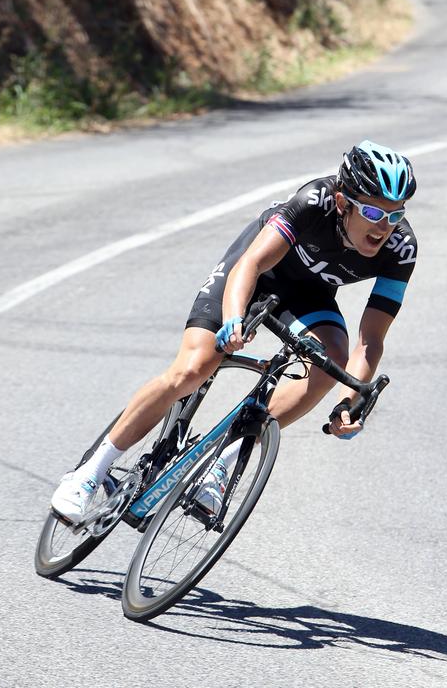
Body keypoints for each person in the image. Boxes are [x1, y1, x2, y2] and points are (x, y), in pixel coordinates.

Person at [51, 140, 419, 523]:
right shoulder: (315, 201)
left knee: (333, 362)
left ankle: (223, 464)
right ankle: (88, 475)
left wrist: (350, 401)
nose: (384, 226)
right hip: (253, 272)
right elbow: (252, 264)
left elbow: (369, 340)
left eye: (395, 215)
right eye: (374, 211)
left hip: (308, 292)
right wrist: (233, 320)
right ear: (343, 203)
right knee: (195, 367)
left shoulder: (401, 248)